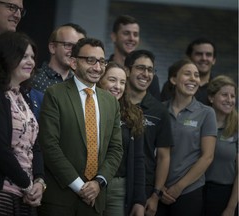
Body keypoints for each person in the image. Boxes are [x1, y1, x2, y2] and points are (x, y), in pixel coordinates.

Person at [38, 38, 123, 216]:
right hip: (60, 199)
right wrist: (79, 186)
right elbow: (49, 145)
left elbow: (116, 149)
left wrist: (98, 183)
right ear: (74, 62)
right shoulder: (55, 94)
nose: (97, 67)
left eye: (101, 61)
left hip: (95, 201)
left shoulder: (110, 102)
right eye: (90, 60)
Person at [0, 31, 46, 216]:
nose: (31, 61)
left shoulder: (24, 97)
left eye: (32, 56)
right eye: (24, 56)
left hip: (25, 194)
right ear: (6, 57)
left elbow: (35, 146)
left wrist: (39, 181)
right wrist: (28, 184)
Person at [156, 59, 217, 216]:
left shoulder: (207, 113)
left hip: (189, 191)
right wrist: (159, 187)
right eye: (187, 74)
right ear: (173, 79)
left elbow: (207, 157)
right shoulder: (160, 110)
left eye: (196, 75)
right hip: (158, 191)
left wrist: (179, 187)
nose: (193, 79)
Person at [125, 50, 172, 216]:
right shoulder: (114, 102)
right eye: (140, 68)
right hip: (115, 180)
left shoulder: (159, 110)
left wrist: (156, 195)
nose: (146, 74)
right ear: (127, 70)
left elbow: (164, 156)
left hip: (145, 185)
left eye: (150, 70)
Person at [97, 62, 146, 216]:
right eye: (112, 80)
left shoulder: (133, 115)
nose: (117, 86)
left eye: (122, 82)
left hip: (119, 187)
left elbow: (138, 159)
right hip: (89, 184)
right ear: (100, 80)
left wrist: (139, 200)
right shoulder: (87, 108)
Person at [203, 75, 238, 216]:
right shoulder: (201, 124)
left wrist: (231, 208)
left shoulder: (237, 128)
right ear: (211, 97)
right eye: (224, 95)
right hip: (196, 190)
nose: (229, 100)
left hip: (225, 194)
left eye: (233, 96)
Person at [109, 14, 161, 101]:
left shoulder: (150, 77)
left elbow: (155, 109)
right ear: (114, 37)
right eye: (126, 33)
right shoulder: (103, 70)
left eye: (135, 34)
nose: (132, 38)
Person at [31, 23, 87, 93]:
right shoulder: (33, 79)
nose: (73, 51)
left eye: (77, 47)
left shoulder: (81, 84)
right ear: (53, 47)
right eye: (68, 45)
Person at [161, 38, 217, 105]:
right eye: (199, 54)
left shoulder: (219, 88)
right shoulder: (173, 85)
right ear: (189, 57)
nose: (204, 58)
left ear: (214, 60)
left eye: (208, 55)